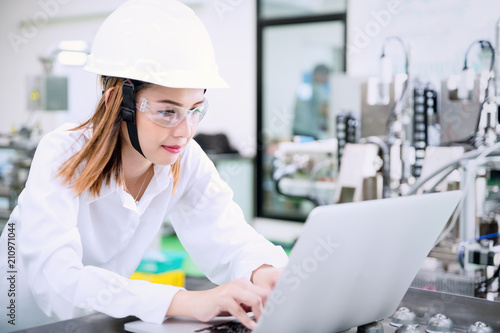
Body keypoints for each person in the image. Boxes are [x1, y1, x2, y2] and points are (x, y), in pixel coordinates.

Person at [0, 0, 288, 331]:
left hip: (95, 323)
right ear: (117, 102)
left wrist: (265, 273)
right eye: (167, 111)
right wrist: (185, 301)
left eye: (195, 109)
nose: (185, 130)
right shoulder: (63, 153)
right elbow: (55, 281)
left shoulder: (186, 158)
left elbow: (230, 236)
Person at [292, 64, 331, 140]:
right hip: (309, 132)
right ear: (321, 75)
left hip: (297, 129)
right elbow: (323, 109)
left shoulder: (305, 87)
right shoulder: (318, 88)